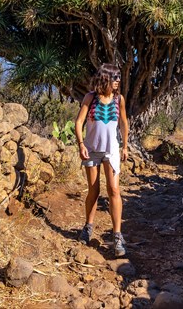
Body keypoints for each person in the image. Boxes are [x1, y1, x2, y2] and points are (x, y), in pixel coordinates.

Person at [74, 63, 129, 257]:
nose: (117, 81)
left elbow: (123, 121)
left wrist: (125, 145)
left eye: (118, 77)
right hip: (91, 150)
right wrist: (81, 144)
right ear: (105, 78)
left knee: (114, 190)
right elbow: (79, 121)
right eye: (114, 77)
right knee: (94, 190)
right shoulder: (91, 98)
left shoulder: (118, 99)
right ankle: (88, 227)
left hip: (111, 150)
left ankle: (117, 235)